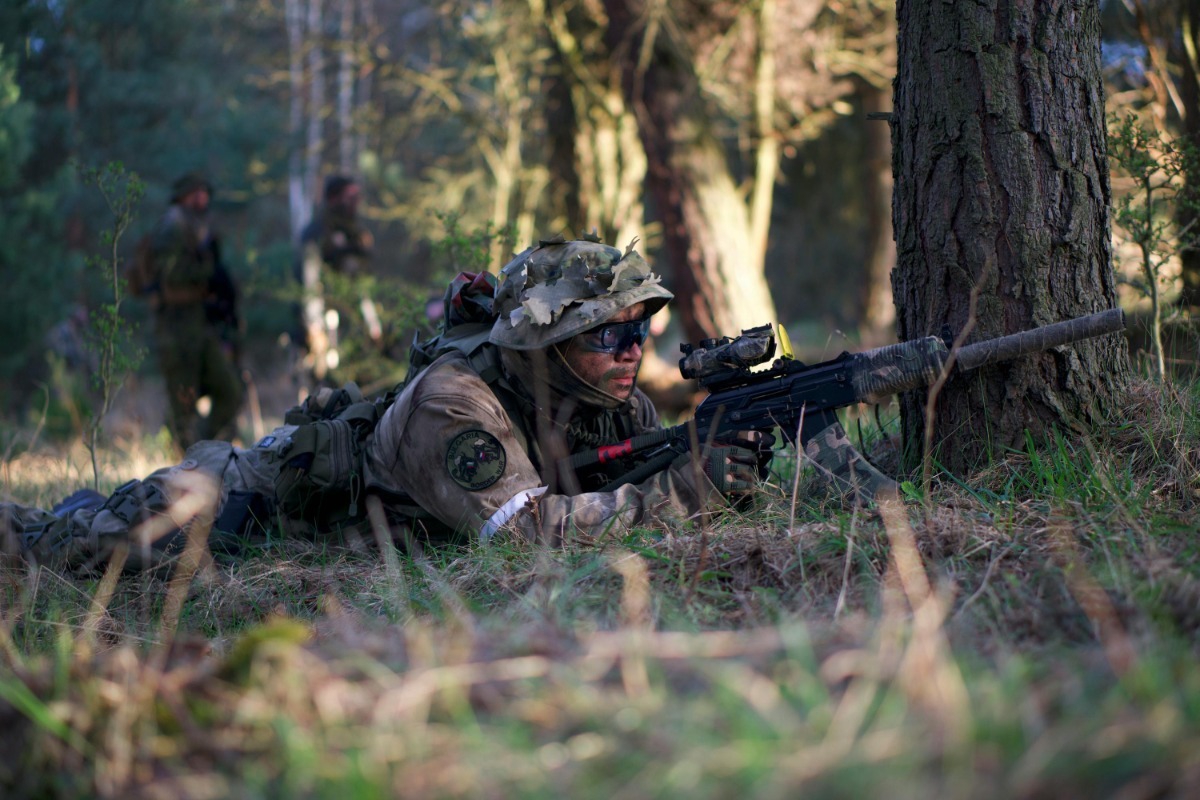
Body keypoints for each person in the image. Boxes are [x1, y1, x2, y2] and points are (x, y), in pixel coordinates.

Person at [1, 238, 892, 571]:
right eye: (609, 335)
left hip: (350, 523)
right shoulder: (454, 400)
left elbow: (627, 480)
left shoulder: (602, 395)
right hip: (250, 498)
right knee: (73, 544)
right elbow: (530, 535)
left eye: (640, 332)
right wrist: (683, 494)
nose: (633, 353)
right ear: (545, 343)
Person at [139, 172, 244, 451]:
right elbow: (171, 276)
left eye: (205, 192)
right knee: (183, 403)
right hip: (176, 329)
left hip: (199, 325)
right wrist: (208, 272)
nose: (203, 198)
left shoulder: (195, 225)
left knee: (229, 390)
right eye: (197, 193)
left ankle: (209, 453)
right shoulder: (172, 225)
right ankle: (184, 463)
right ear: (184, 195)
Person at [296, 175, 381, 384]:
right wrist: (315, 325)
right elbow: (310, 279)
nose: (355, 202)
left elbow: (362, 282)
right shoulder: (316, 233)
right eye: (349, 196)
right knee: (330, 382)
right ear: (334, 199)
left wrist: (372, 322)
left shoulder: (357, 234)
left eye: (356, 196)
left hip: (355, 321)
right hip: (328, 321)